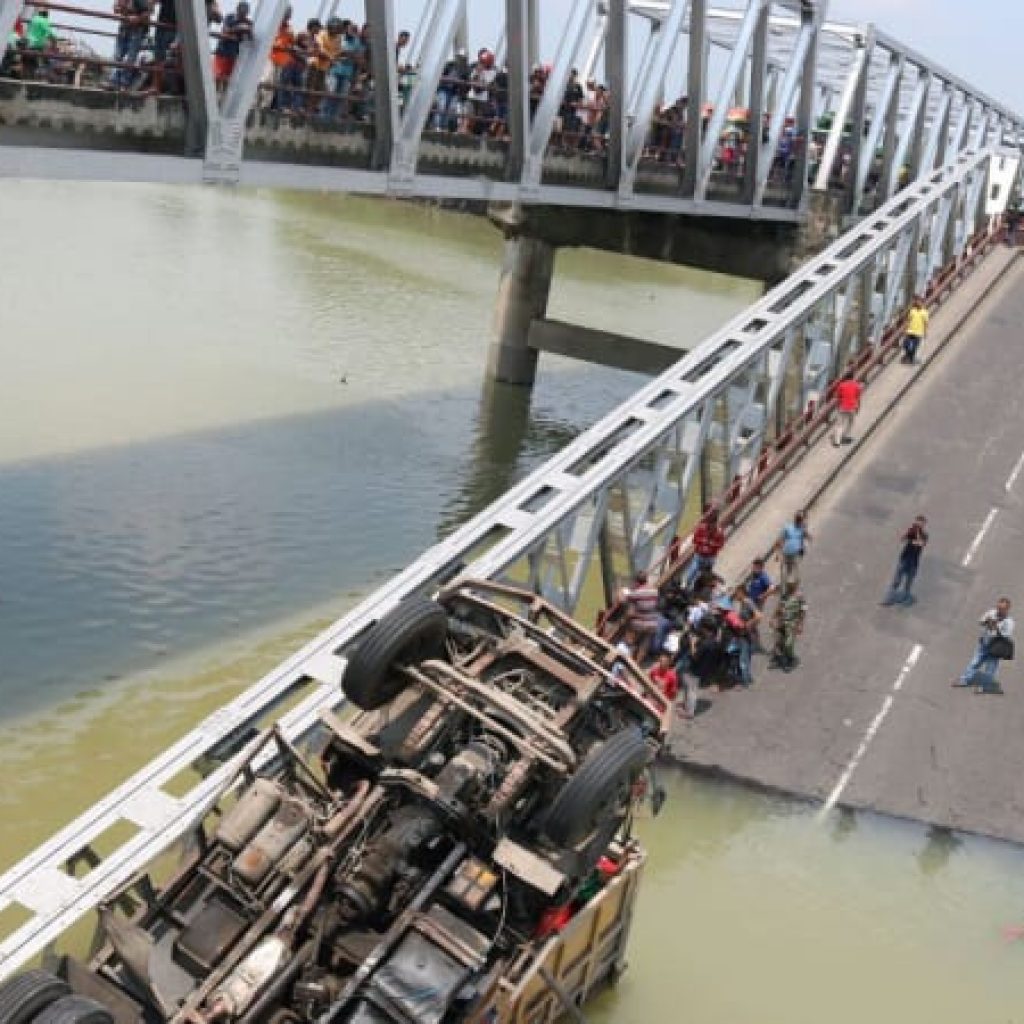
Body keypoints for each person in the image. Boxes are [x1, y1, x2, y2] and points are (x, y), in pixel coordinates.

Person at [954, 598, 1014, 694]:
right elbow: (980, 621)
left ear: (1007, 609)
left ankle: (984, 687)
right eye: (998, 607)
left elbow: (1006, 635)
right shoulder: (992, 612)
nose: (999, 610)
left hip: (995, 648)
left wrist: (996, 627)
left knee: (990, 669)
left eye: (1001, 609)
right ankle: (964, 680)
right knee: (974, 663)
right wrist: (986, 621)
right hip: (984, 644)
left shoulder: (1009, 622)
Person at [881, 515, 929, 606]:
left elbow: (921, 543)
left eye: (920, 523)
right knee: (896, 580)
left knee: (908, 582)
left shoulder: (925, 535)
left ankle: (904, 598)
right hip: (904, 559)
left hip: (914, 562)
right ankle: (888, 598)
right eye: (917, 522)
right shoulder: (911, 531)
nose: (918, 524)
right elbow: (903, 539)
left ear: (923, 525)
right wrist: (911, 534)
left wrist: (917, 533)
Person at [620, 572, 660, 662]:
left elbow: (623, 600)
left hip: (639, 623)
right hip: (652, 624)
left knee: (629, 641)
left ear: (637, 582)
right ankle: (636, 665)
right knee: (644, 646)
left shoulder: (636, 593)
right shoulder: (655, 591)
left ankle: (625, 662)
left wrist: (622, 591)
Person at [213, 1, 253, 89]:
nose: (243, 15)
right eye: (242, 12)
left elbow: (250, 38)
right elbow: (226, 30)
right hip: (222, 51)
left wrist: (248, 31)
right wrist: (240, 28)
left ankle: (222, 100)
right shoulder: (229, 17)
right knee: (218, 76)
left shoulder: (248, 23)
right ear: (237, 10)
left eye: (245, 13)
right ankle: (213, 96)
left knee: (228, 79)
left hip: (234, 54)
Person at [770, 581, 806, 672]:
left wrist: (800, 625)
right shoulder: (785, 596)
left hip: (792, 624)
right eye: (788, 584)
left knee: (788, 644)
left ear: (795, 585)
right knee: (779, 642)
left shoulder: (800, 597)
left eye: (791, 584)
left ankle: (792, 659)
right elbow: (779, 607)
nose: (789, 586)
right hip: (782, 623)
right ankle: (785, 660)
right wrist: (773, 618)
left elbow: (803, 611)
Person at [686, 508, 726, 588]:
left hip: (710, 557)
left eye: (712, 524)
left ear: (715, 523)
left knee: (705, 576)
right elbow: (695, 540)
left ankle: (700, 588)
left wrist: (712, 544)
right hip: (699, 555)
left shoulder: (719, 532)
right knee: (692, 572)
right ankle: (687, 586)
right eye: (709, 523)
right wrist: (702, 541)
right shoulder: (702, 529)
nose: (710, 526)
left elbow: (721, 545)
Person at [774, 510, 811, 587]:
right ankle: (785, 590)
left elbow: (809, 538)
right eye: (798, 518)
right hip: (786, 553)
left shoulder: (802, 529)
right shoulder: (788, 527)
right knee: (785, 572)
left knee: (795, 574)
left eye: (800, 519)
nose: (799, 520)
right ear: (795, 518)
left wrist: (803, 547)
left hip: (795, 554)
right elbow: (779, 540)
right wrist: (777, 553)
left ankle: (794, 590)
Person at [832, 370, 863, 447]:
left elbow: (838, 397)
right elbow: (858, 398)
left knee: (839, 424)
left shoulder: (841, 385)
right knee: (851, 423)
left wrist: (838, 406)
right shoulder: (857, 386)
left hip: (842, 407)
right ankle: (845, 436)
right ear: (852, 377)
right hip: (852, 407)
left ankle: (837, 442)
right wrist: (858, 407)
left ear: (845, 377)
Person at [902, 295, 929, 364]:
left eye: (919, 302)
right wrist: (905, 329)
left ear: (922, 303)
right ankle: (908, 357)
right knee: (907, 345)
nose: (918, 303)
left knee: (915, 346)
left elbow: (926, 323)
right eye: (917, 301)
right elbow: (908, 320)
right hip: (910, 331)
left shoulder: (925, 312)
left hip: (918, 332)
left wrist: (925, 332)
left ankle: (911, 358)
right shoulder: (912, 311)